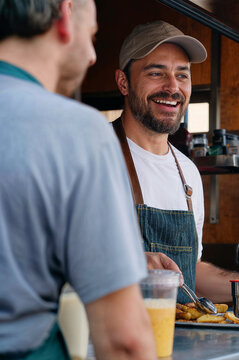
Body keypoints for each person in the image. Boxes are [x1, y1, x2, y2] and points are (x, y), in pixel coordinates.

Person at [0, 0, 159, 358]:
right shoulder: (76, 131)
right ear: (65, 15)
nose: (90, 57)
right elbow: (125, 341)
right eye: (92, 37)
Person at [114, 20, 239, 305]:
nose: (172, 87)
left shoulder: (187, 172)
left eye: (182, 75)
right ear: (123, 82)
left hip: (180, 341)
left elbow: (192, 275)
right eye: (156, 72)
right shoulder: (90, 154)